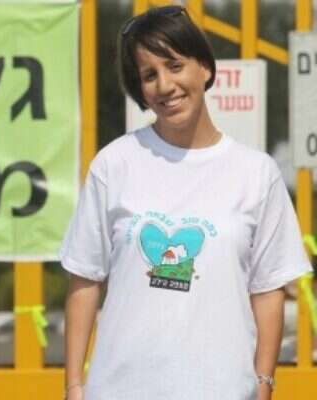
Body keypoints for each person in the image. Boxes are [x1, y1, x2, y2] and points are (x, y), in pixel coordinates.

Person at [60, 5, 312, 400]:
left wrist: (263, 384)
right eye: (149, 75)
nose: (164, 85)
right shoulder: (114, 164)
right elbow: (85, 278)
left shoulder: (256, 173)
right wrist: (74, 384)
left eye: (174, 66)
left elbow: (268, 289)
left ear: (205, 68)